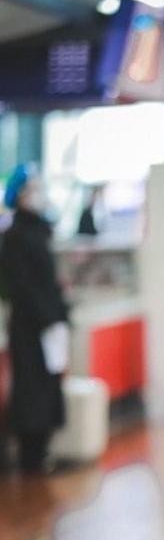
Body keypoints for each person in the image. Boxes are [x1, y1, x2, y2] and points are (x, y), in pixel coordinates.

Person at [0, 162, 70, 474]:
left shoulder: (38, 231)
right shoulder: (15, 235)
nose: (39, 194)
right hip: (29, 328)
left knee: (46, 389)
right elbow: (21, 285)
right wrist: (48, 316)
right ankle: (31, 458)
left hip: (46, 325)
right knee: (31, 392)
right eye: (33, 188)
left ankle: (41, 453)